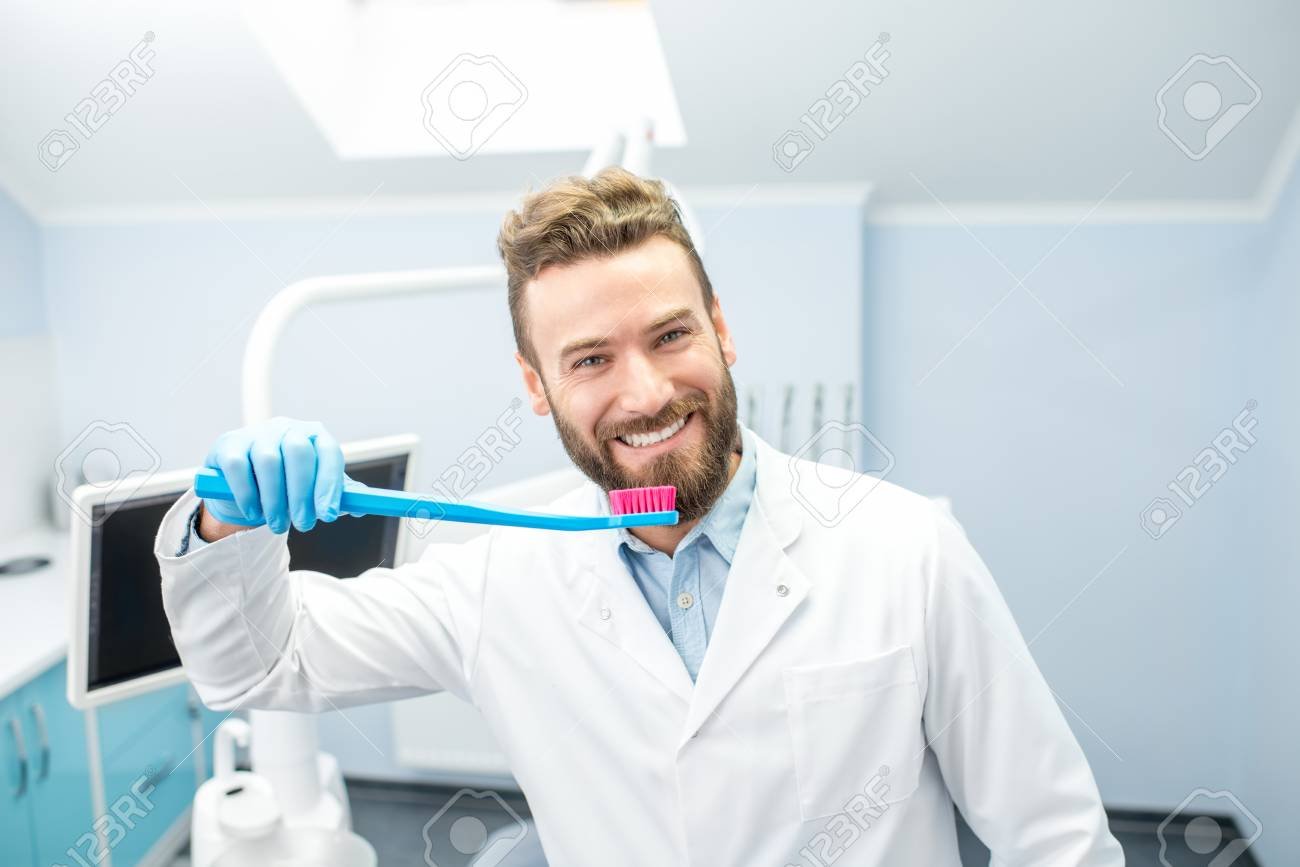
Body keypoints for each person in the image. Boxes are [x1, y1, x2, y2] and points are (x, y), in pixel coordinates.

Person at [155, 168, 1123, 865]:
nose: (648, 391)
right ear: (536, 388)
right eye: (590, 360)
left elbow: (1057, 839)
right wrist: (223, 525)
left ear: (722, 328)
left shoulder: (904, 549)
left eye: (670, 335)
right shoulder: (499, 578)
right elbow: (259, 665)